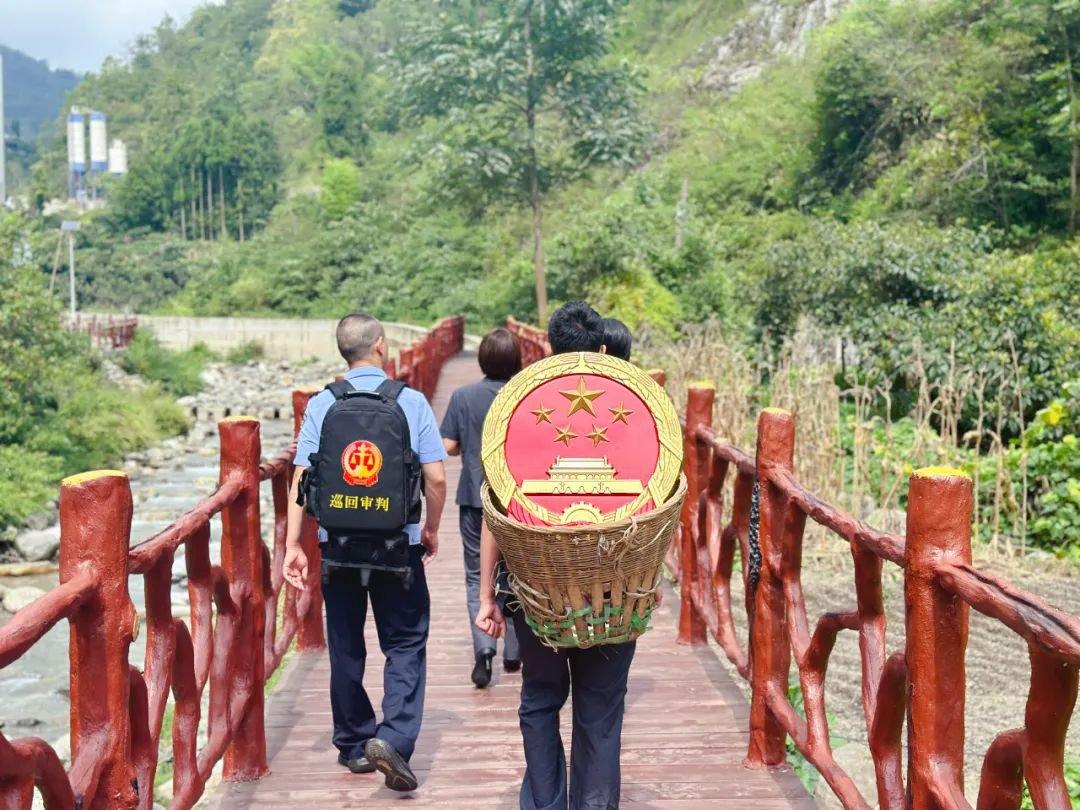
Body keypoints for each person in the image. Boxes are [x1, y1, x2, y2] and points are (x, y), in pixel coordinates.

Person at [476, 300, 638, 810]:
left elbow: (496, 512)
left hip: (534, 586)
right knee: (600, 709)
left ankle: (545, 803)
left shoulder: (520, 409)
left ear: (546, 348)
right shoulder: (634, 409)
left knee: (541, 699)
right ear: (604, 348)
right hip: (614, 591)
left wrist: (487, 596)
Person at [282, 312, 447, 792]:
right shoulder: (409, 401)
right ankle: (394, 738)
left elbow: (301, 478)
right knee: (405, 642)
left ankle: (355, 744)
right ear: (379, 345)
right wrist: (430, 528)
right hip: (398, 546)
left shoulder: (322, 404)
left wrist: (293, 544)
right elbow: (436, 478)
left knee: (346, 644)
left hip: (338, 545)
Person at [440, 328, 522, 688]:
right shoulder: (523, 394)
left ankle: (484, 649)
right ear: (517, 360)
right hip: (516, 503)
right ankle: (514, 650)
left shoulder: (463, 396)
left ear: (482, 359)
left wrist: (467, 444)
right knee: (516, 572)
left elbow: (448, 445)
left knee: (477, 574)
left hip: (474, 498)